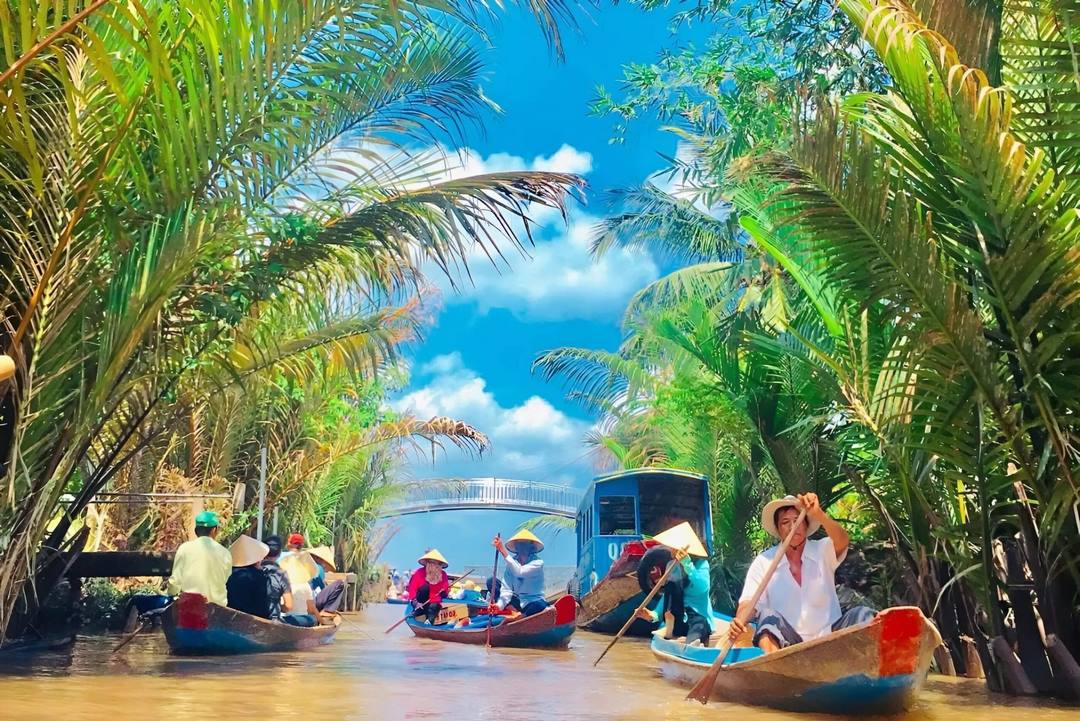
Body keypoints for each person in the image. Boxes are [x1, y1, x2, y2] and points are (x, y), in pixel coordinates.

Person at [728, 493, 875, 652]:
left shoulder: (822, 550)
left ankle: (873, 668)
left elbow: (843, 540)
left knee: (863, 615)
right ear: (778, 529)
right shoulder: (764, 562)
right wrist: (740, 620)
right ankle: (775, 672)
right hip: (789, 647)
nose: (793, 526)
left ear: (805, 526)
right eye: (785, 522)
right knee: (767, 616)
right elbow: (748, 603)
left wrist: (818, 514)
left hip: (830, 638)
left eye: (797, 521)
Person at [634, 522, 715, 647]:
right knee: (672, 584)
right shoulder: (671, 565)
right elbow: (668, 594)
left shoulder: (701, 565)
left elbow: (702, 588)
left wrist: (687, 564)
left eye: (673, 547)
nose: (670, 550)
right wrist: (653, 615)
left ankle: (692, 646)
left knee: (698, 629)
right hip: (676, 617)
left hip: (697, 618)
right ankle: (669, 625)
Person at [166, 511, 232, 605]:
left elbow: (175, 582)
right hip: (217, 610)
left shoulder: (185, 549)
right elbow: (225, 579)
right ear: (214, 530)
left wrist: (171, 596)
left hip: (190, 607)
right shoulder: (225, 553)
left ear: (196, 530)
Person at [489, 529, 548, 617]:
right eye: (520, 544)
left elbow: (520, 572)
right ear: (516, 547)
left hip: (533, 602)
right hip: (517, 602)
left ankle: (521, 616)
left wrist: (502, 550)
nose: (522, 547)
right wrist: (499, 606)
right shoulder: (511, 564)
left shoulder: (538, 563)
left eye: (525, 544)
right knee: (491, 581)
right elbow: (506, 590)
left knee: (540, 605)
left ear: (531, 547)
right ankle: (512, 610)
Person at [227, 535, 270, 617]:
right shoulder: (258, 576)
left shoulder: (228, 573)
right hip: (253, 620)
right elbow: (262, 606)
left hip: (230, 618)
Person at [406, 549, 450, 624]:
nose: (433, 566)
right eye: (431, 563)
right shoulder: (419, 573)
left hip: (435, 605)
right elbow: (412, 591)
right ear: (427, 563)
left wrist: (443, 592)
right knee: (425, 588)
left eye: (437, 564)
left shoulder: (443, 575)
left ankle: (430, 621)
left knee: (434, 606)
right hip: (421, 604)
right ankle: (421, 616)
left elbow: (445, 593)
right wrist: (416, 603)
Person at [279, 551, 320, 627]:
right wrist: (320, 620)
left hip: (286, 619)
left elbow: (284, 607)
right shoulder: (305, 585)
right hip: (302, 619)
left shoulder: (283, 584)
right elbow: (311, 609)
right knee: (313, 619)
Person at [309, 545, 346, 613]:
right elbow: (322, 588)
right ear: (317, 558)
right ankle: (328, 610)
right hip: (311, 602)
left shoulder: (305, 566)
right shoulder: (318, 568)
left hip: (304, 601)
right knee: (339, 583)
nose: (324, 563)